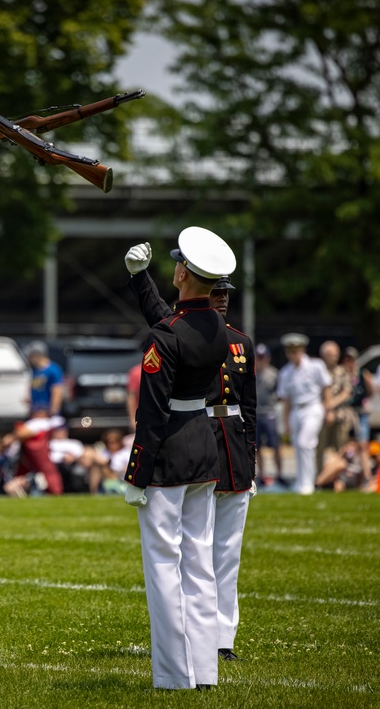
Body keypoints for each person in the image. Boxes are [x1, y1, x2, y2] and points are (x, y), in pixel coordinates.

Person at [121, 226, 234, 690]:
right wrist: (139, 278)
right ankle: (203, 671)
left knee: (165, 566)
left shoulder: (166, 335)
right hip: (203, 448)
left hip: (167, 453)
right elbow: (173, 325)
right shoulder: (220, 328)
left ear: (183, 273)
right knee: (200, 564)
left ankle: (172, 674)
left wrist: (135, 472)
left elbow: (150, 413)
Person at [127, 261, 257, 663]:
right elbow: (164, 318)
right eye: (214, 292)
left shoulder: (238, 340)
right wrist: (140, 277)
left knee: (223, 551)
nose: (220, 299)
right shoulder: (189, 329)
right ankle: (199, 643)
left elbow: (249, 407)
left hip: (226, 443)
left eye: (225, 294)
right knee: (196, 551)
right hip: (199, 434)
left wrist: (250, 455)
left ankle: (221, 638)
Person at [277, 333, 331, 495]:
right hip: (296, 410)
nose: (293, 355)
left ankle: (308, 483)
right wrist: (286, 422)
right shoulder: (286, 372)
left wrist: (328, 410)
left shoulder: (316, 366)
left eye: (296, 351)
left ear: (302, 350)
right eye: (290, 351)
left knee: (305, 443)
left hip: (313, 408)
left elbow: (326, 389)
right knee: (298, 446)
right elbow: (286, 400)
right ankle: (300, 481)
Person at [316, 340, 352, 473]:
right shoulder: (317, 371)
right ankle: (319, 476)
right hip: (321, 415)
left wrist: (330, 405)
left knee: (341, 448)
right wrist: (326, 409)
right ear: (323, 355)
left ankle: (339, 475)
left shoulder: (342, 371)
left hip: (340, 415)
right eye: (331, 354)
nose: (335, 357)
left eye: (336, 353)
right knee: (319, 448)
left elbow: (346, 392)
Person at [254, 343, 284, 486]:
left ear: (268, 358)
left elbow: (280, 394)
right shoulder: (250, 373)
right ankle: (261, 474)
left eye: (263, 357)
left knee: (275, 446)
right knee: (257, 447)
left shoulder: (274, 374)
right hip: (256, 413)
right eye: (258, 357)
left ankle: (280, 474)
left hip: (270, 413)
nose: (260, 360)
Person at [24, 340, 65, 417]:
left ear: (37, 355)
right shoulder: (34, 371)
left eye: (30, 356)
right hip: (35, 413)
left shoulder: (53, 370)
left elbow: (57, 391)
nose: (29, 359)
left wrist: (52, 412)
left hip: (47, 415)